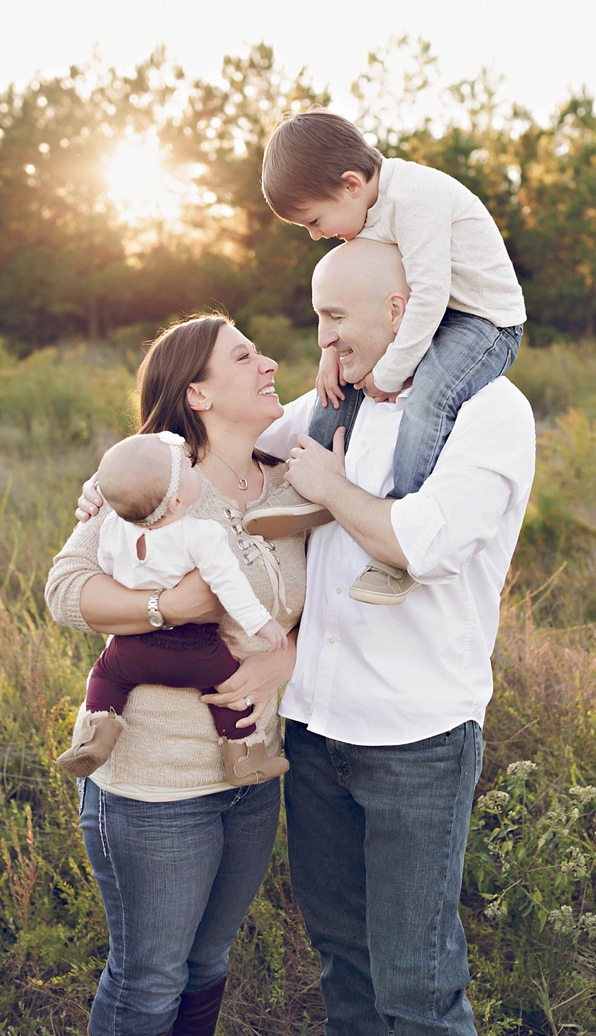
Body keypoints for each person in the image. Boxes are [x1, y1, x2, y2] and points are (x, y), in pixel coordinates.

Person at [262, 238, 533, 1034]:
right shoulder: (332, 401)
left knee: (416, 986)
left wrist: (330, 487)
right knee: (344, 965)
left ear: (399, 310)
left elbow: (423, 543)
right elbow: (234, 444)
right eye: (317, 317)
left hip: (415, 740)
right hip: (313, 731)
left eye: (334, 316)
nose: (323, 338)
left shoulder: (490, 410)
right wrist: (125, 479)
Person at [47, 314, 307, 1036]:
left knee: (208, 961)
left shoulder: (291, 484)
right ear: (198, 392)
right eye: (246, 355)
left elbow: (333, 607)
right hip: (154, 788)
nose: (270, 363)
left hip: (252, 773)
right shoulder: (151, 483)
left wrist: (282, 658)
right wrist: (164, 606)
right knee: (150, 977)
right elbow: (66, 590)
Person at [252, 107, 527, 605]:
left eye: (314, 220)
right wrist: (332, 351)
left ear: (352, 185)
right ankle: (306, 481)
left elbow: (427, 297)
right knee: (339, 383)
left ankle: (401, 517)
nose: (314, 235)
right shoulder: (367, 208)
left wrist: (392, 371)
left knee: (431, 393)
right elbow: (357, 293)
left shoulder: (417, 198)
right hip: (437, 312)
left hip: (485, 321)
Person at [56, 431, 290, 785]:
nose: (196, 471)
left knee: (104, 676)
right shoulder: (201, 534)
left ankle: (99, 734)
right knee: (230, 693)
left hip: (131, 648)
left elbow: (105, 568)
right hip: (196, 651)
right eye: (189, 469)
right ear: (177, 503)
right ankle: (243, 756)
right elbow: (231, 587)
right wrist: (262, 624)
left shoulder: (113, 529)